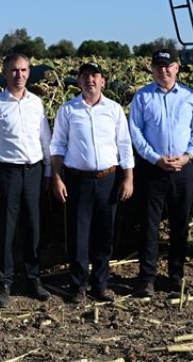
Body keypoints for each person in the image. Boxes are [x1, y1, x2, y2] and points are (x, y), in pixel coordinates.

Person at [49, 62, 134, 303]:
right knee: (78, 235)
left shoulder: (114, 110)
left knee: (104, 235)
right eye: (85, 76)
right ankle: (78, 286)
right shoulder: (68, 110)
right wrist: (56, 177)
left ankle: (100, 284)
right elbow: (57, 145)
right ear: (79, 81)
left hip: (108, 179)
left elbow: (124, 145)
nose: (91, 80)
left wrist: (128, 177)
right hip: (78, 180)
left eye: (95, 76)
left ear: (103, 81)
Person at [127, 50, 193, 298]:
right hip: (153, 170)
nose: (163, 70)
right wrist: (155, 158)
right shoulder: (142, 97)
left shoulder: (190, 97)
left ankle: (176, 275)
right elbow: (135, 132)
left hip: (183, 168)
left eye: (168, 66)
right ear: (152, 69)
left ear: (177, 68)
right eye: (158, 66)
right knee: (149, 226)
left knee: (180, 224)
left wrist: (188, 155)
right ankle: (147, 278)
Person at [0, 53, 53, 307]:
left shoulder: (36, 103)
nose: (19, 75)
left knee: (33, 227)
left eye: (23, 70)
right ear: (5, 73)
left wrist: (47, 171)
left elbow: (44, 139)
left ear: (29, 73)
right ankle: (4, 283)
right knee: (6, 230)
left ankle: (34, 279)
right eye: (13, 70)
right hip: (7, 173)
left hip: (33, 172)